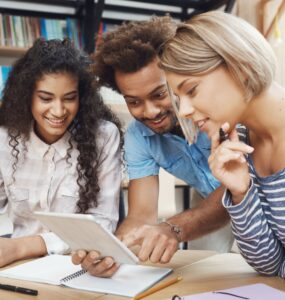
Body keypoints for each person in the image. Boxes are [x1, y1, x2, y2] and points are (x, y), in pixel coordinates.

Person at [72, 16, 232, 277]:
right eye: (134, 102)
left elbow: (236, 188)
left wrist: (172, 227)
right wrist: (111, 251)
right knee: (207, 274)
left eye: (159, 94)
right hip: (206, 198)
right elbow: (141, 217)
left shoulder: (216, 109)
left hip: (256, 193)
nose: (150, 112)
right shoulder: (138, 137)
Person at [160, 11, 285, 278]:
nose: (183, 111)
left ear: (241, 66)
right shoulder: (242, 142)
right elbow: (271, 265)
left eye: (191, 90)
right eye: (178, 97)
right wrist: (241, 193)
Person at [0, 38, 122, 267]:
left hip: (79, 266)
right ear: (27, 96)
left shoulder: (103, 137)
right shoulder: (5, 139)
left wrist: (21, 246)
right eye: (45, 98)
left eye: (69, 98)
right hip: (17, 266)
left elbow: (103, 225)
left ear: (82, 97)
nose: (58, 111)